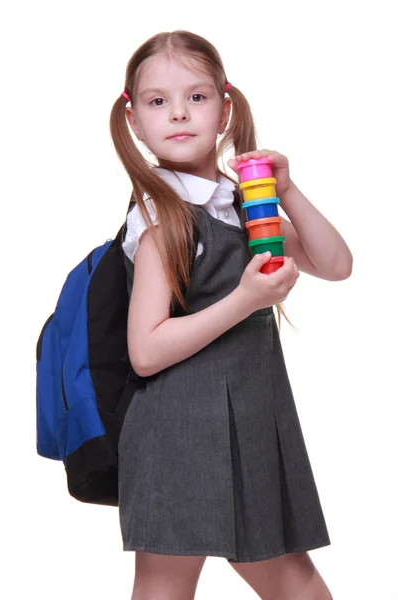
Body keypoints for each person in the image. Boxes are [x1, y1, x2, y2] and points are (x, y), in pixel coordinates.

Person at [109, 29, 352, 600]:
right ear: (134, 118)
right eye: (157, 101)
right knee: (167, 585)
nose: (178, 114)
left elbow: (335, 264)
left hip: (249, 424)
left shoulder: (238, 202)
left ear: (225, 107)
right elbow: (144, 352)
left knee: (297, 584)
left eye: (196, 97)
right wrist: (244, 300)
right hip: (177, 433)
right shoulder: (161, 218)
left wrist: (285, 189)